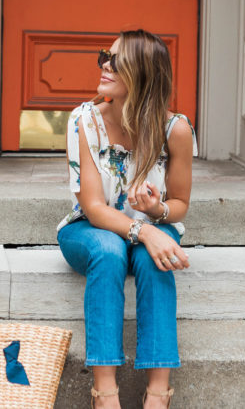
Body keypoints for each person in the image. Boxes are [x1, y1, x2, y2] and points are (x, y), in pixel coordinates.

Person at [56, 29, 198, 409]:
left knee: (155, 261)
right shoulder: (84, 120)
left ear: (144, 74)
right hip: (91, 229)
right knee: (108, 250)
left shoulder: (175, 130)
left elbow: (180, 203)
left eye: (117, 61)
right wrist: (145, 230)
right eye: (105, 55)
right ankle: (105, 393)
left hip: (149, 225)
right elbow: (93, 206)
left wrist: (157, 212)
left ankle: (157, 393)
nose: (105, 64)